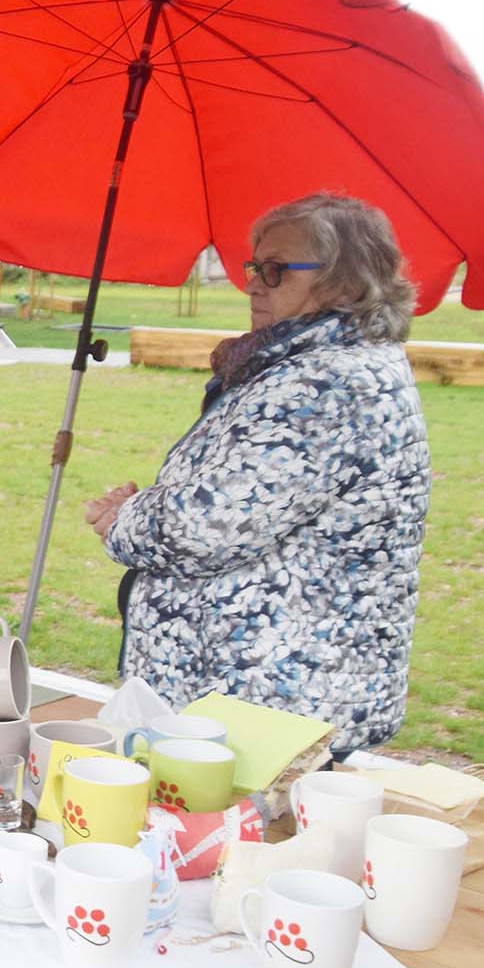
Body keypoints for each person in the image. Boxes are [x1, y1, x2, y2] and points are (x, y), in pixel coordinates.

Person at [86, 193, 430, 753]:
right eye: (254, 266)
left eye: (275, 270)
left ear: (346, 283)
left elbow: (207, 528)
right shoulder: (317, 366)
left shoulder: (324, 386)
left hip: (273, 704)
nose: (252, 285)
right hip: (267, 688)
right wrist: (152, 508)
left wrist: (126, 519)